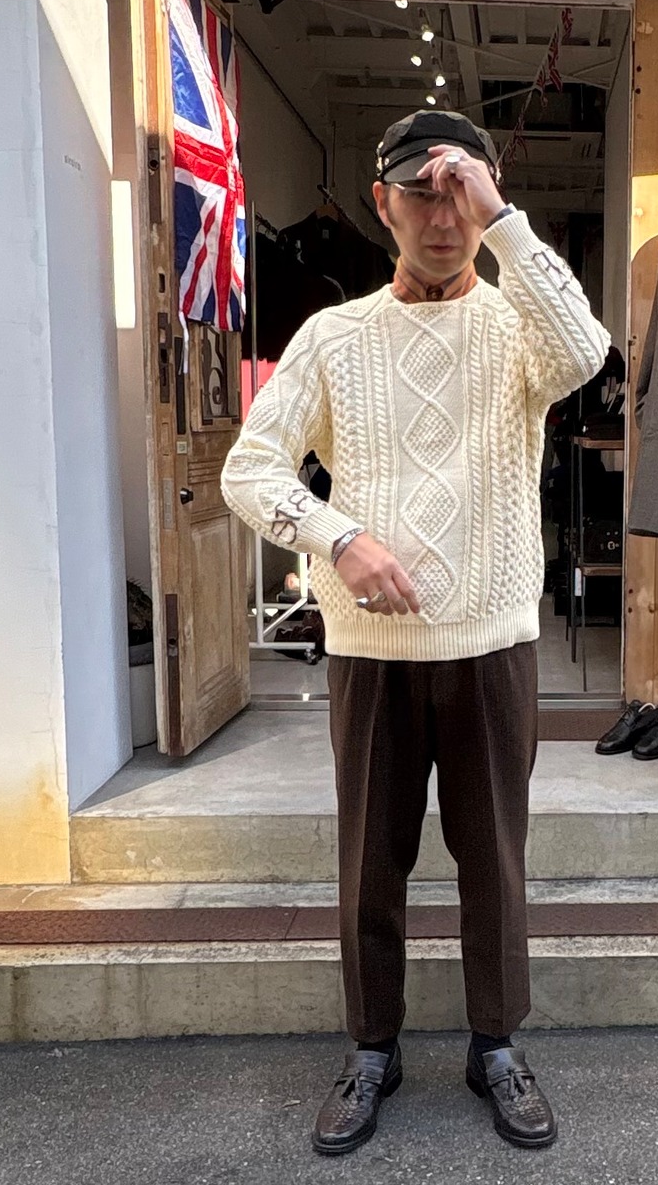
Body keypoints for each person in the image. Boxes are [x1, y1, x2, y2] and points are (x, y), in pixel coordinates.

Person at [221, 109, 610, 1154]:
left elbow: (589, 350)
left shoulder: (519, 329)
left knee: (494, 859)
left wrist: (504, 219)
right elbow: (249, 469)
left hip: (492, 640)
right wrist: (337, 536)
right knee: (368, 860)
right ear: (382, 204)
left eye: (460, 194)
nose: (443, 218)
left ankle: (496, 1045)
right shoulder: (333, 336)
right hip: (370, 649)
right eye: (421, 195)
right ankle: (371, 1047)